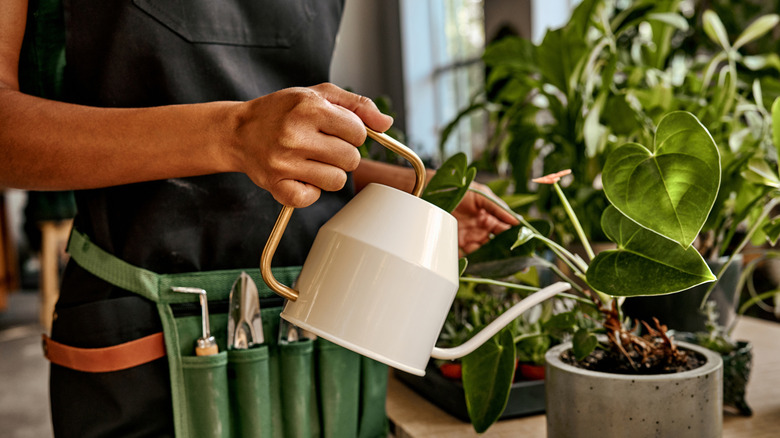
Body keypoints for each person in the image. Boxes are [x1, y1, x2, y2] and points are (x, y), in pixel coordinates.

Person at [0, 0, 518, 436]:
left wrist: (411, 187)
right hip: (145, 326)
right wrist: (233, 132)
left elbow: (296, 140)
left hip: (324, 314)